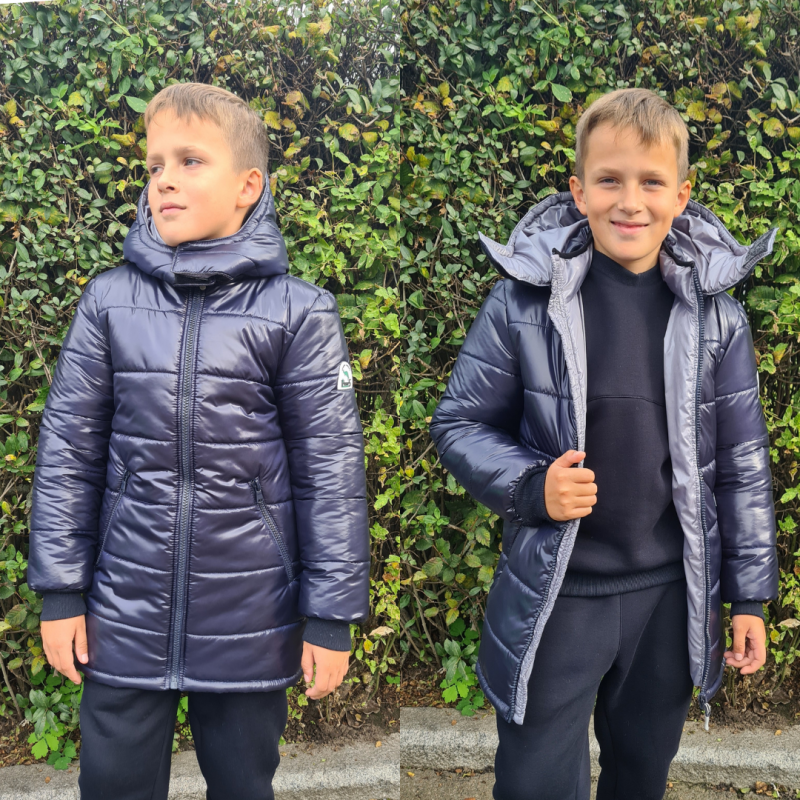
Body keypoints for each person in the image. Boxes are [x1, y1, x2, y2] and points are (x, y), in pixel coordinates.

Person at [429, 88, 778, 800]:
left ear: (681, 195)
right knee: (534, 780)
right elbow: (459, 423)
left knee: (642, 774)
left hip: (667, 598)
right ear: (579, 191)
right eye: (610, 180)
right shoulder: (522, 303)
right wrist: (532, 486)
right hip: (558, 595)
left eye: (651, 182)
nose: (630, 201)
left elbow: (743, 467)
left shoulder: (719, 319)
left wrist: (748, 597)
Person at [27, 82, 370, 800]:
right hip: (122, 615)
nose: (165, 180)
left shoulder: (299, 313)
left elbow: (330, 473)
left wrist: (331, 616)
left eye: (189, 161)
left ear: (249, 186)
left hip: (251, 617)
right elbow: (68, 456)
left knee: (243, 785)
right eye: (155, 165)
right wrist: (60, 594)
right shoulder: (108, 302)